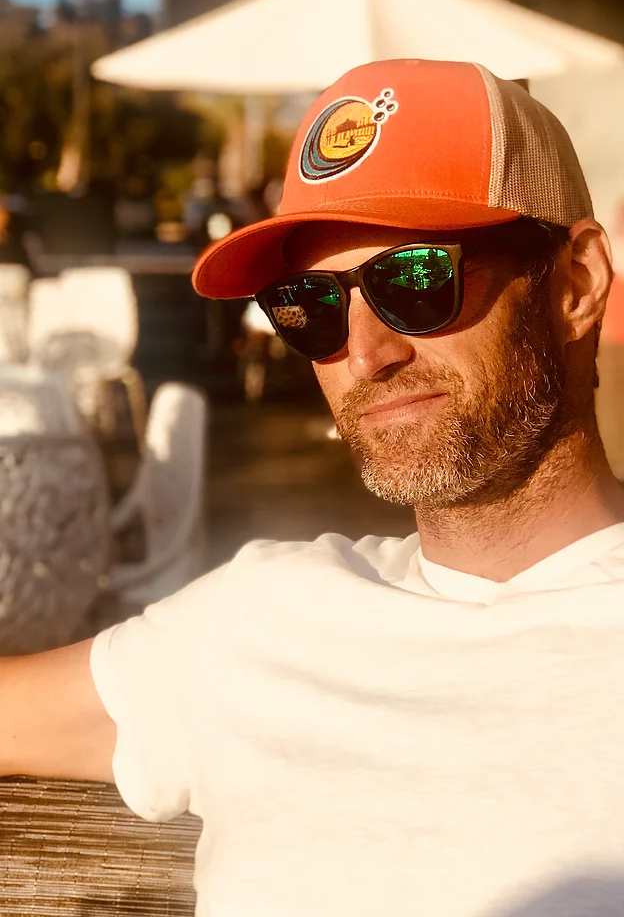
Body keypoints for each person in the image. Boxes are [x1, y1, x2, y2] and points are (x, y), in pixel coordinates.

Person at [2, 58, 624, 916]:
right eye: (311, 307)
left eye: (416, 281)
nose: (364, 355)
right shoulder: (256, 618)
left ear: (577, 284)